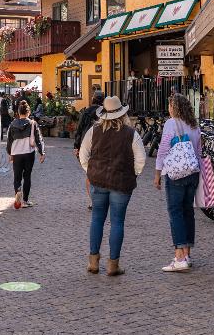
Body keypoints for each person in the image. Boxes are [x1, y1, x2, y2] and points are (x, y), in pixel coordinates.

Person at [78, 96, 146, 277]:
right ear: (122, 114)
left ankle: (93, 261)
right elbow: (141, 159)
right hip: (121, 183)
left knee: (97, 219)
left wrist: (90, 171)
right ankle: (113, 265)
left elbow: (83, 155)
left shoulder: (94, 131)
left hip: (98, 181)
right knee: (117, 222)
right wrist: (133, 174)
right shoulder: (131, 134)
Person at [155, 93, 203, 272]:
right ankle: (187, 254)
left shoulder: (171, 123)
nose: (168, 109)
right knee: (188, 211)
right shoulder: (194, 125)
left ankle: (179, 257)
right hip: (193, 172)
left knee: (175, 212)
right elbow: (199, 151)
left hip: (176, 174)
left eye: (170, 105)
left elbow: (163, 149)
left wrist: (157, 173)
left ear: (174, 107)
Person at [6, 100, 45, 209]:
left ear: (18, 112)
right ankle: (25, 201)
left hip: (16, 153)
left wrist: (9, 153)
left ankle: (18, 191)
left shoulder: (12, 124)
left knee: (17, 177)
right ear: (29, 112)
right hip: (29, 153)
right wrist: (42, 152)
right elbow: (38, 139)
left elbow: (9, 141)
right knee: (27, 176)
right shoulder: (32, 123)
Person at [74, 91, 105, 210]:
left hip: (86, 146)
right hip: (101, 145)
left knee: (89, 173)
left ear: (93, 99)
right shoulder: (105, 112)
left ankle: (93, 201)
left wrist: (76, 146)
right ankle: (101, 199)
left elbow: (79, 129)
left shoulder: (86, 112)